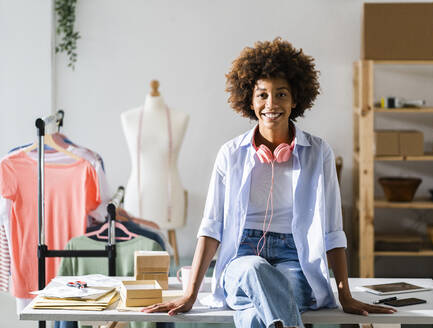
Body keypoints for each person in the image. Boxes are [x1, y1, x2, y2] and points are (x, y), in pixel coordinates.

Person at [142, 38, 395, 328]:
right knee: (256, 270)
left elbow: (332, 232)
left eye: (281, 94)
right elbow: (211, 228)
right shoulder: (230, 154)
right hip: (243, 255)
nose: (271, 104)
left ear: (295, 99)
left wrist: (345, 295)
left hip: (294, 257)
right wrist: (190, 294)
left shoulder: (319, 152)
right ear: (250, 100)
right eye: (262, 95)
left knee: (254, 310)